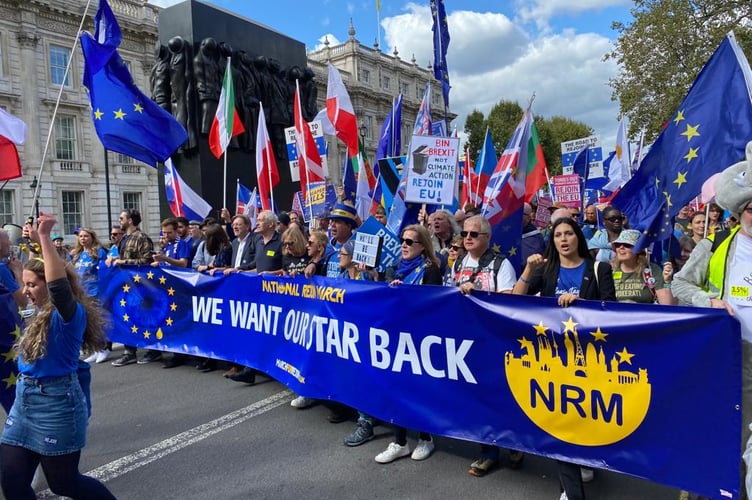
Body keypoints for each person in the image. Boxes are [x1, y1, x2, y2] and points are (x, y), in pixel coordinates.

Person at [0, 212, 116, 500]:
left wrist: (43, 237)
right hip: (25, 402)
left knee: (64, 483)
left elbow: (58, 287)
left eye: (32, 285)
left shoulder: (68, 316)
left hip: (57, 404)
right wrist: (21, 261)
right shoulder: (36, 312)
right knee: (12, 481)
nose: (25, 291)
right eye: (25, 284)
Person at [514, 216, 616, 500]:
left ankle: (583, 458)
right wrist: (528, 270)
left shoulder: (599, 268)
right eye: (557, 234)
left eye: (568, 233)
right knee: (561, 419)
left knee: (586, 417)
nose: (563, 239)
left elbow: (613, 310)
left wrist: (581, 305)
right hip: (555, 358)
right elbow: (515, 299)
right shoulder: (546, 271)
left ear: (578, 237)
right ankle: (571, 492)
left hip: (588, 358)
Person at [672, 149, 752, 500]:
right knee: (733, 436)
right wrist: (710, 301)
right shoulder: (716, 243)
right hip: (736, 357)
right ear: (739, 211)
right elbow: (679, 284)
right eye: (751, 207)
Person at [449, 215, 521, 476]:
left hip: (494, 340)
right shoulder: (458, 262)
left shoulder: (501, 265)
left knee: (501, 396)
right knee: (477, 397)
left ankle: (514, 441)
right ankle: (488, 451)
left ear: (487, 238)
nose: (467, 238)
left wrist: (476, 293)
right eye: (464, 233)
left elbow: (507, 304)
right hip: (467, 340)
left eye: (473, 234)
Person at [373, 224, 441, 464]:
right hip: (394, 337)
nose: (404, 244)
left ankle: (425, 438)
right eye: (403, 240)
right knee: (395, 389)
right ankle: (399, 441)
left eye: (410, 241)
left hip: (419, 339)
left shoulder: (431, 270)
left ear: (422, 246)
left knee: (418, 390)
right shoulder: (395, 269)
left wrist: (409, 294)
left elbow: (433, 304)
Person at [110, 209, 155, 367]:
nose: (119, 220)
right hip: (126, 285)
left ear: (130, 221)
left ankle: (153, 350)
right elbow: (125, 258)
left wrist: (125, 262)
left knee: (146, 317)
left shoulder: (141, 238)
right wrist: (117, 259)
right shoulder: (124, 239)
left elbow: (147, 260)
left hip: (141, 285)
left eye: (122, 218)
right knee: (127, 317)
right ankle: (129, 351)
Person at [71, 228, 110, 364]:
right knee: (87, 323)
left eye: (86, 236)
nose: (83, 239)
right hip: (81, 292)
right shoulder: (77, 254)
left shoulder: (99, 252)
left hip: (95, 291)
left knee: (98, 321)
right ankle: (94, 349)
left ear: (92, 237)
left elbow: (105, 270)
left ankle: (103, 347)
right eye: (81, 236)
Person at [610, 229, 675, 305]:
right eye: (617, 245)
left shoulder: (651, 270)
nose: (621, 247)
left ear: (638, 250)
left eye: (627, 245)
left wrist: (667, 282)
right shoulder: (610, 270)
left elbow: (667, 305)